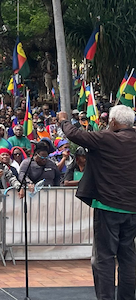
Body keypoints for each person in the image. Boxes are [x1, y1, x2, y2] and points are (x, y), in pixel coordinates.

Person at [60, 106, 136, 300]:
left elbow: (74, 134)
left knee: (105, 257)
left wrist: (63, 120)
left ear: (113, 122)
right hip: (132, 208)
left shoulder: (106, 138)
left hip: (108, 207)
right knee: (128, 257)